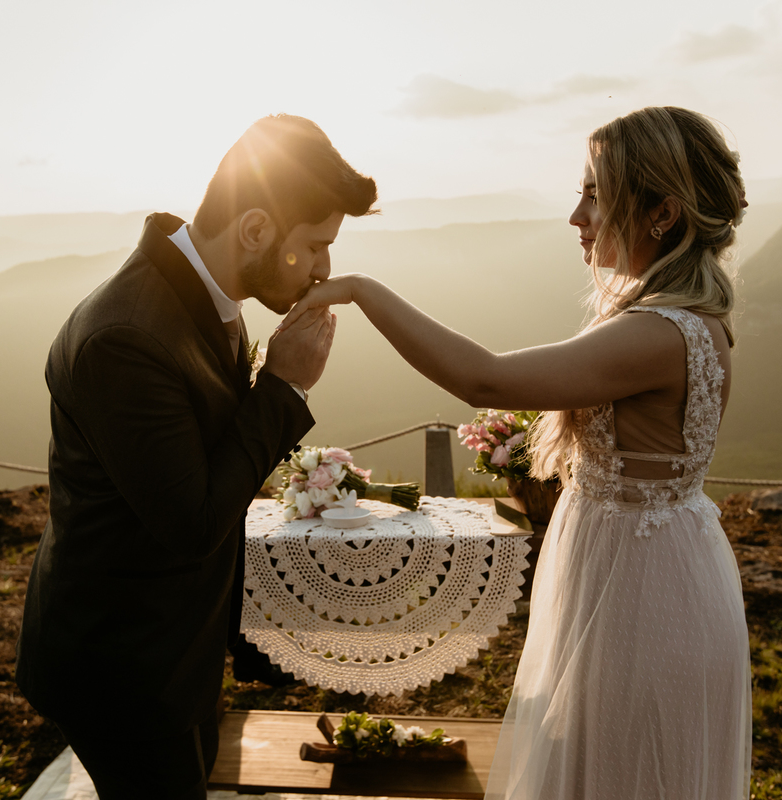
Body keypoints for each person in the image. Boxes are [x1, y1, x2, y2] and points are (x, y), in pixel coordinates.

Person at [281, 106, 751, 799]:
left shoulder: (660, 333)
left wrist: (362, 290)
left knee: (618, 769)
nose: (577, 215)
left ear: (662, 214)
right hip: (647, 564)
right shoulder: (682, 322)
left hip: (640, 591)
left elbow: (487, 380)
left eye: (595, 192)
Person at [16, 114, 377, 799]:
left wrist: (243, 633)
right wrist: (284, 385)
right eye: (317, 245)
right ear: (254, 230)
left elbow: (211, 465)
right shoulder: (124, 338)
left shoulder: (209, 296)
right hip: (121, 668)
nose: (327, 268)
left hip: (175, 651)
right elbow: (191, 519)